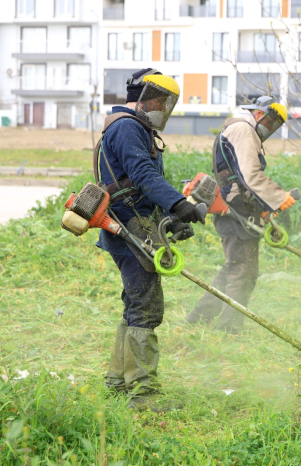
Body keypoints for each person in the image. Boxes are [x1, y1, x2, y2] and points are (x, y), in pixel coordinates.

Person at [96, 68, 205, 409]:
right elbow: (142, 175)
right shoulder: (127, 127)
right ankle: (143, 394)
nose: (163, 108)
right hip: (128, 229)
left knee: (135, 305)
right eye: (160, 101)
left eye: (167, 103)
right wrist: (178, 203)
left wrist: (171, 221)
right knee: (146, 308)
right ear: (142, 97)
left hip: (136, 226)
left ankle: (118, 382)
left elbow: (138, 188)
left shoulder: (135, 128)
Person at [185, 96, 294, 333]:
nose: (271, 128)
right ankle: (229, 329)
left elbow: (241, 176)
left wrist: (263, 207)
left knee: (234, 267)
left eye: (275, 126)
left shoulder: (241, 130)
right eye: (271, 122)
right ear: (259, 114)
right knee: (243, 271)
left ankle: (199, 317)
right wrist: (279, 198)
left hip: (236, 206)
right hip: (235, 208)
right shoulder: (244, 130)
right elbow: (250, 175)